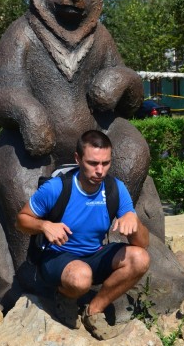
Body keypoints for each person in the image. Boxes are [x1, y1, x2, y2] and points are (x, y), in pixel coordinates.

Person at [15, 130, 150, 340]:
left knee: (140, 259)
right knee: (80, 277)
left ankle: (94, 311)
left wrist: (134, 220)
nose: (100, 171)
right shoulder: (56, 188)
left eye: (106, 163)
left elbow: (142, 244)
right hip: (57, 257)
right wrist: (44, 226)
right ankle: (65, 295)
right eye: (93, 163)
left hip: (94, 255)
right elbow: (21, 221)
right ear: (78, 159)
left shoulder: (116, 189)